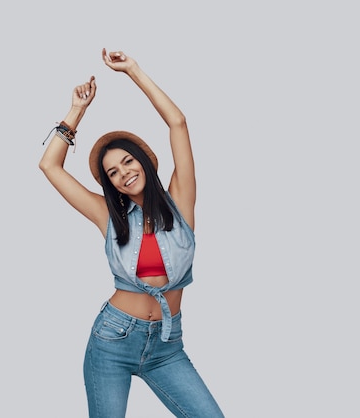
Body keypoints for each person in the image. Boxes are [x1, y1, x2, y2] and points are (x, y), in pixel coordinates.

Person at [39, 48, 224, 418]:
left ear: (142, 160)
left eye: (127, 161)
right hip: (113, 341)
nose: (124, 172)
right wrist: (77, 111)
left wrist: (134, 71)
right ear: (112, 185)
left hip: (167, 347)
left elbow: (179, 124)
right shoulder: (107, 216)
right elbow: (50, 165)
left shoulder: (181, 202)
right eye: (113, 172)